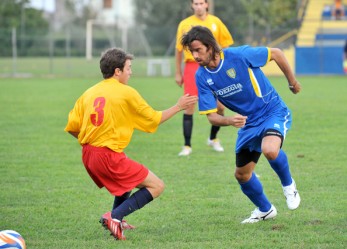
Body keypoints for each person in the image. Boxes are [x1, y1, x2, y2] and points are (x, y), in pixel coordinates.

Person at [64, 48, 198, 240]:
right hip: (106, 155)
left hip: (88, 153)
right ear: (117, 71)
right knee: (157, 186)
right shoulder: (126, 92)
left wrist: (93, 142)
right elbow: (154, 119)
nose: (131, 72)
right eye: (128, 68)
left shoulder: (89, 92)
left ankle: (117, 218)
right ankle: (115, 217)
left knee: (127, 183)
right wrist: (179, 106)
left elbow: (71, 127)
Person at [181, 26, 302, 223]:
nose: (195, 56)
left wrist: (292, 82)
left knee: (270, 149)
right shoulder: (201, 76)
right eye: (191, 51)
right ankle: (265, 210)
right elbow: (211, 117)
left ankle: (289, 186)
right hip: (248, 123)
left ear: (210, 46)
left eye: (198, 50)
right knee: (242, 175)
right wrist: (229, 120)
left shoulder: (239, 55)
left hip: (271, 111)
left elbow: (277, 54)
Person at [175, 0, 234, 156]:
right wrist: (178, 72)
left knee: (221, 107)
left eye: (201, 3)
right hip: (191, 67)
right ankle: (187, 146)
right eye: (196, 3)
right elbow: (179, 50)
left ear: (207, 5)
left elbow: (226, 46)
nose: (199, 6)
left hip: (212, 66)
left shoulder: (216, 22)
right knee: (189, 105)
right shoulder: (184, 24)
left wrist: (224, 67)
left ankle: (213, 138)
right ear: (192, 5)